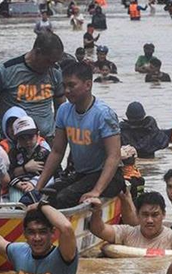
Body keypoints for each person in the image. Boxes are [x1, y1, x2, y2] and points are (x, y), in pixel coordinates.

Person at [35, 62, 124, 209]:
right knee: (49, 194)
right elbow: (57, 151)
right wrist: (37, 188)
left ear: (88, 85)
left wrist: (96, 191)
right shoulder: (64, 110)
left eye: (72, 85)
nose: (67, 91)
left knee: (64, 198)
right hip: (81, 174)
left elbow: (114, 157)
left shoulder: (103, 114)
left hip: (109, 176)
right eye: (64, 86)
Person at [0, 32, 65, 145]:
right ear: (37, 52)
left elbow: (61, 107)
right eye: (48, 61)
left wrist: (58, 136)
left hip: (46, 142)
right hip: (14, 143)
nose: (51, 66)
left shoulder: (55, 72)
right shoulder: (5, 71)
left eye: (54, 62)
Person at [87, 192, 172, 251]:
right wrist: (97, 212)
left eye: (155, 215)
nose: (149, 220)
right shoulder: (127, 233)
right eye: (145, 215)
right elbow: (99, 230)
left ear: (164, 215)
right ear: (137, 215)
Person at [7, 116, 51, 204]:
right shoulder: (14, 153)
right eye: (22, 138)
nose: (27, 142)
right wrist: (18, 184)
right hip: (18, 185)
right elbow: (9, 173)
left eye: (30, 137)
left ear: (38, 135)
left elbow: (53, 173)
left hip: (40, 184)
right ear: (16, 139)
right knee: (16, 204)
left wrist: (33, 183)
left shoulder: (45, 152)